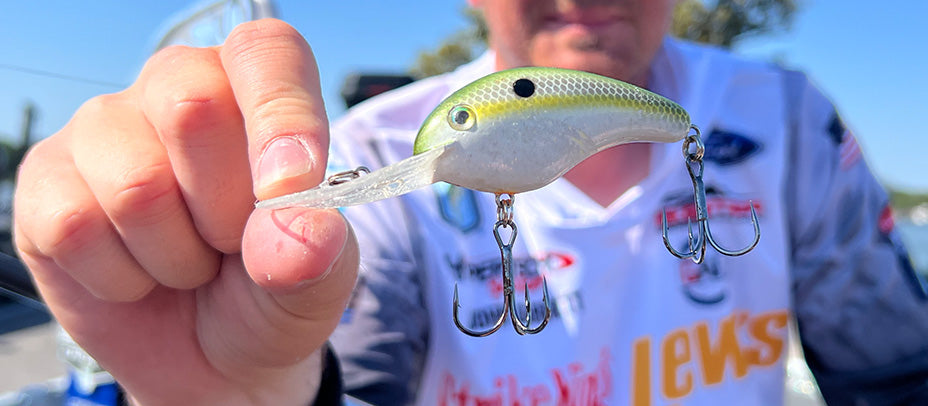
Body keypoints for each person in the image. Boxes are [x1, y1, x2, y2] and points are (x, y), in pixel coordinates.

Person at [12, 0, 927, 405]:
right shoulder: (370, 150)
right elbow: (355, 388)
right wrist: (250, 404)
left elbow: (894, 378)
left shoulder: (791, 121)